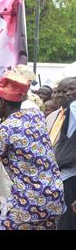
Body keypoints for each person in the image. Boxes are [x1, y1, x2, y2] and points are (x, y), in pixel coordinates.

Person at [0, 71, 66, 230]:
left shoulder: (4, 130)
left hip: (27, 201)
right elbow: (14, 114)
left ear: (1, 102)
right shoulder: (36, 116)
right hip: (54, 197)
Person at [55, 77, 76, 230]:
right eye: (65, 90)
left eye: (71, 89)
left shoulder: (74, 107)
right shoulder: (66, 111)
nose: (67, 94)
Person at [47, 77, 73, 146]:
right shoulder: (51, 116)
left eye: (64, 92)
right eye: (58, 92)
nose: (60, 95)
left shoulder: (73, 117)